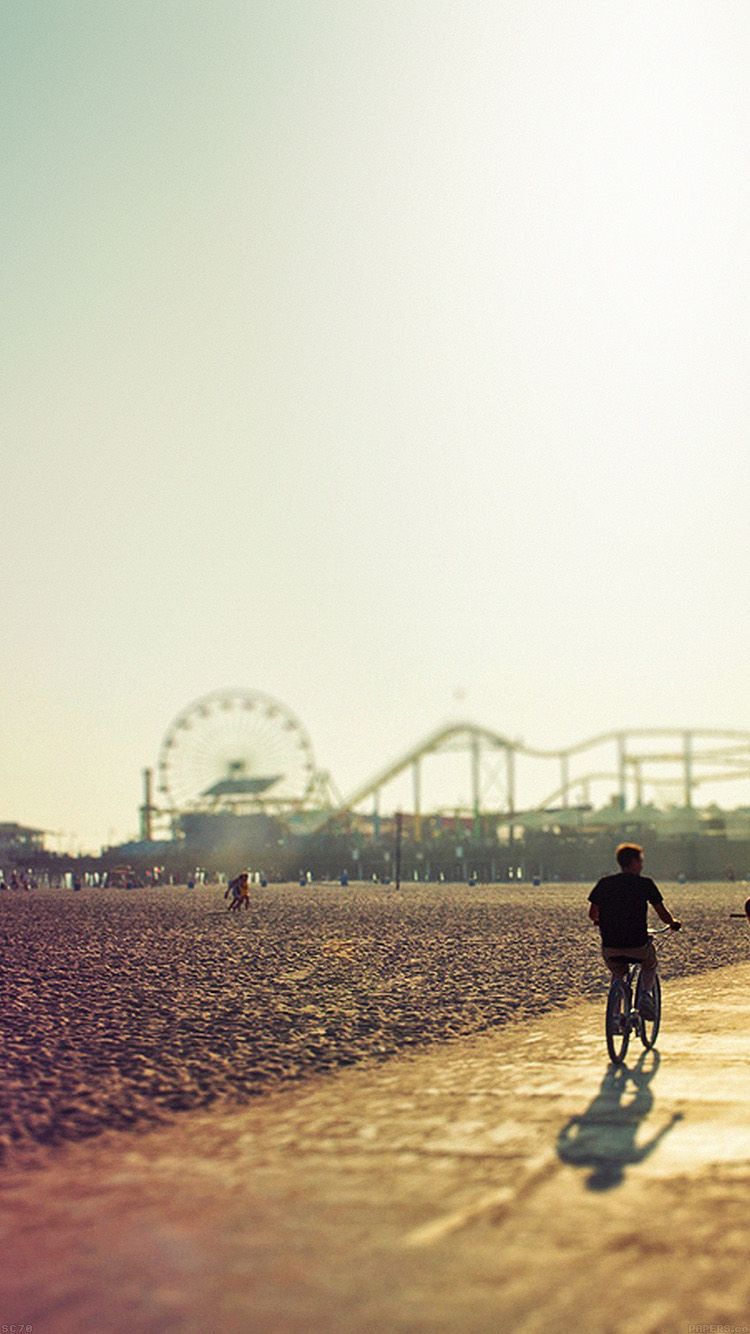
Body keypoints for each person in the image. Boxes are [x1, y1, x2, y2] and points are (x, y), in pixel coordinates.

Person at [588, 843, 681, 1019]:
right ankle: (646, 994)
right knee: (650, 963)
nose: (642, 865)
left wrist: (600, 921)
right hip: (637, 945)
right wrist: (673, 923)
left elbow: (592, 914)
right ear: (633, 862)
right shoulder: (645, 884)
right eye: (640, 861)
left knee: (618, 973)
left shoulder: (605, 883)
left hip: (610, 947)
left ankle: (615, 1015)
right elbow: (662, 913)